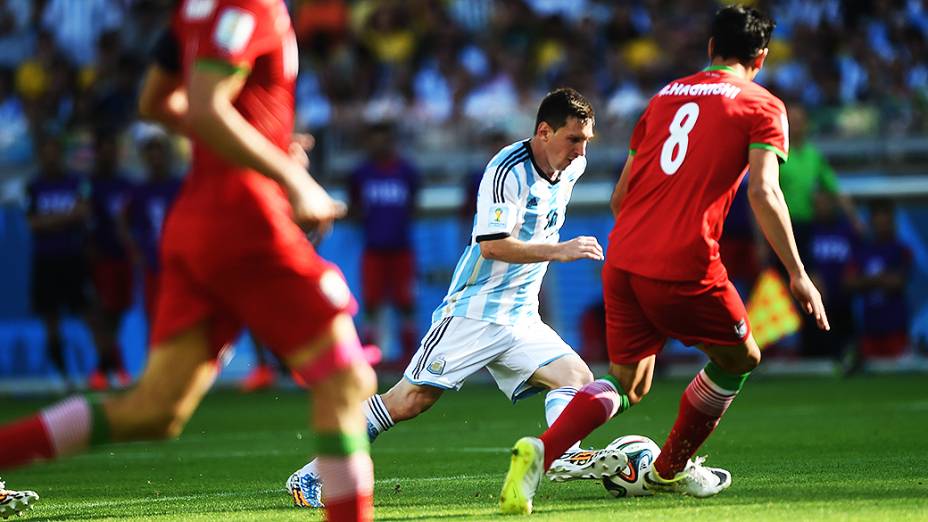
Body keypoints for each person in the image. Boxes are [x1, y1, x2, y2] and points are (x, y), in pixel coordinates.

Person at [0, 2, 378, 521]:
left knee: (153, 408)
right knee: (345, 380)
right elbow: (204, 107)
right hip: (243, 218)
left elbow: (156, 102)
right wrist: (292, 178)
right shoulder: (251, 6)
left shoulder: (192, 12)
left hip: (197, 215)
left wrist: (258, 145)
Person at [500, 6, 830, 515]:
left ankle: (543, 451)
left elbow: (620, 196)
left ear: (709, 48)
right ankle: (668, 471)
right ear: (760, 58)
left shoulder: (664, 97)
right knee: (740, 358)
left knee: (630, 381)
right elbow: (764, 192)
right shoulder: (763, 106)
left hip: (625, 254)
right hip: (686, 261)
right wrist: (798, 273)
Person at [287, 88, 628, 509]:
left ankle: (561, 454)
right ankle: (314, 473)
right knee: (410, 400)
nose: (581, 150)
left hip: (520, 317)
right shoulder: (507, 170)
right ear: (543, 131)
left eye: (587, 141)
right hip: (475, 311)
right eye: (574, 139)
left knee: (575, 378)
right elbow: (492, 245)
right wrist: (558, 250)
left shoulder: (572, 168)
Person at [348, 121, 420, 368]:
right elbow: (355, 206)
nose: (379, 144)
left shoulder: (407, 172)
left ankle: (410, 356)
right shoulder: (360, 174)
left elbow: (413, 203)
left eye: (384, 138)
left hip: (401, 249)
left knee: (406, 302)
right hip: (373, 249)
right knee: (371, 303)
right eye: (374, 138)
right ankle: (371, 355)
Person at [25, 135, 91, 391]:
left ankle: (104, 371)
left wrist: (49, 220)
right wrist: (67, 217)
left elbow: (83, 212)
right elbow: (33, 224)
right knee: (50, 319)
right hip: (46, 261)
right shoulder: (33, 186)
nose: (50, 156)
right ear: (40, 154)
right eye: (45, 150)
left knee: (89, 314)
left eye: (54, 150)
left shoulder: (77, 182)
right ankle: (62, 377)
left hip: (74, 258)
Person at [86, 132, 134, 390]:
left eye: (111, 148)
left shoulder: (127, 184)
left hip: (122, 256)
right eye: (102, 149)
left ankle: (107, 367)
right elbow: (85, 219)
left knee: (117, 312)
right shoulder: (89, 184)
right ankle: (113, 366)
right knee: (101, 311)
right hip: (100, 257)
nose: (108, 154)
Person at [846, 199, 912, 361]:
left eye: (885, 221)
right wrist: (880, 279)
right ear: (872, 222)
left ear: (892, 222)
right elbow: (849, 282)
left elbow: (897, 282)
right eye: (878, 221)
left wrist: (867, 281)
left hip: (895, 327)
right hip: (869, 327)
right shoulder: (862, 251)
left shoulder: (901, 250)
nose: (881, 225)